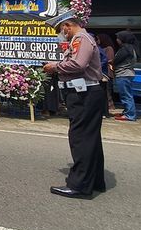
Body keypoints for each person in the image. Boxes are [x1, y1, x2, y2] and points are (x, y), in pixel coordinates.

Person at [43, 18, 106, 199]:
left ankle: (79, 185)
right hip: (85, 93)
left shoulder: (81, 38)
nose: (62, 33)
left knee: (80, 138)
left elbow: (78, 64)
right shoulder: (83, 38)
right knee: (90, 138)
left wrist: (55, 67)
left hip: (83, 95)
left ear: (67, 26)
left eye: (61, 29)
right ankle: (94, 181)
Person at [113, 31, 139, 122]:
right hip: (128, 73)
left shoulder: (125, 49)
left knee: (126, 95)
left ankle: (130, 115)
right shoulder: (132, 48)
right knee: (126, 94)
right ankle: (127, 111)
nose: (117, 40)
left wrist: (111, 62)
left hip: (123, 74)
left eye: (118, 38)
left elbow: (116, 60)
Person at [96, 34, 116, 114]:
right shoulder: (101, 48)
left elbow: (109, 60)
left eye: (98, 39)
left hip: (106, 72)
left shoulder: (108, 48)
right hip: (103, 72)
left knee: (107, 91)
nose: (98, 41)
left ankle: (110, 106)